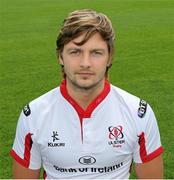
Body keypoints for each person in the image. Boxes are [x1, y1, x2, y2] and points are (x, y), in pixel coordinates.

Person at [10, 9, 164, 179]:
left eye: (96, 53)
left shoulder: (138, 113)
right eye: (75, 52)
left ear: (110, 57)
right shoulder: (33, 115)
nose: (85, 63)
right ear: (60, 56)